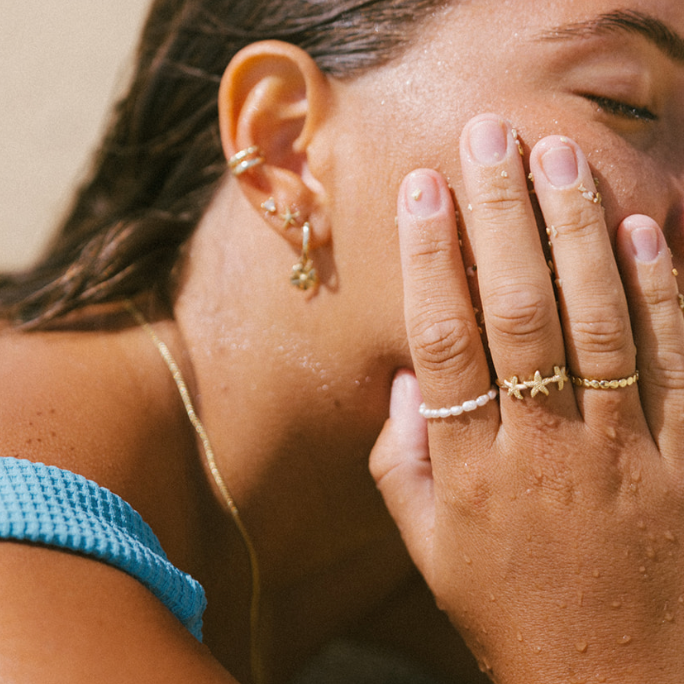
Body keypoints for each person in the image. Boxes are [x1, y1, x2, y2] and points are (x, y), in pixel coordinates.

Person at [1, 0, 683, 682]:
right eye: (622, 102)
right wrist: (612, 647)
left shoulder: (509, 525)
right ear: (285, 147)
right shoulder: (26, 570)